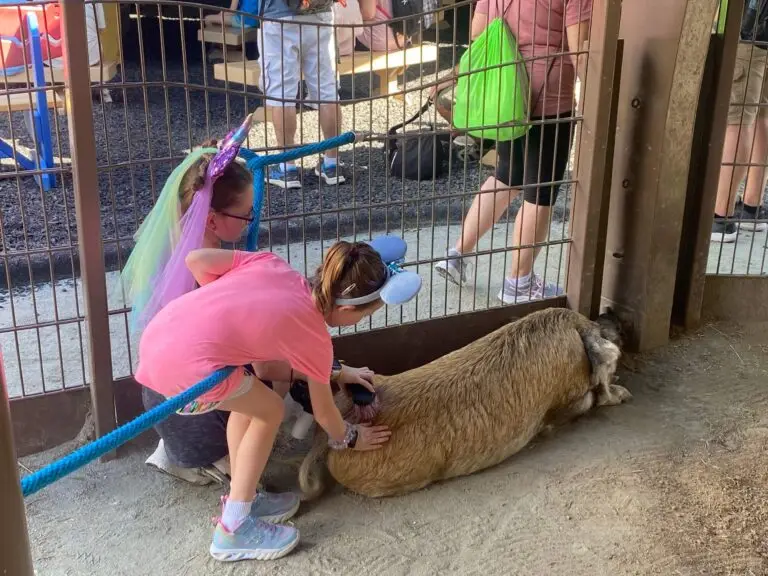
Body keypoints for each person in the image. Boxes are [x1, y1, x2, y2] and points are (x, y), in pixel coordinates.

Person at [121, 114, 375, 485]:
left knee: (277, 373)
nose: (252, 221)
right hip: (191, 402)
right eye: (246, 215)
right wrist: (331, 377)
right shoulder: (207, 270)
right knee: (271, 398)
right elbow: (268, 366)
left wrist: (330, 370)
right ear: (212, 219)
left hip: (166, 379)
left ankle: (223, 477)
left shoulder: (201, 255)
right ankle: (223, 476)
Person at [135, 239, 421, 561]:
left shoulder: (272, 264)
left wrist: (219, 309)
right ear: (345, 310)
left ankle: (243, 496)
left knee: (250, 405)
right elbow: (325, 413)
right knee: (269, 410)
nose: (361, 320)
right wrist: (352, 437)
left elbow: (196, 259)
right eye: (365, 315)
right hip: (186, 375)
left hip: (159, 338)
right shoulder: (314, 337)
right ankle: (233, 530)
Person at [432, 0, 591, 303]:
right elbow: (579, 51)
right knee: (540, 192)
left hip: (504, 90)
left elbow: (478, 31)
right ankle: (519, 283)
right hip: (549, 98)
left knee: (506, 176)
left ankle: (456, 256)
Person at [259, 0, 345, 188]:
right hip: (320, 13)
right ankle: (332, 164)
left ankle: (287, 167)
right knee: (327, 92)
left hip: (279, 17)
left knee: (282, 95)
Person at [712, 0, 768, 243]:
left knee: (737, 120)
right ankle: (751, 207)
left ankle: (720, 216)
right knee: (761, 114)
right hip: (762, 31)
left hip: (748, 28)